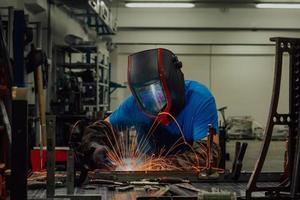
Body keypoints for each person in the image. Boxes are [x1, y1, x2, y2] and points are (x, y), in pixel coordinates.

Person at [80, 48, 220, 170]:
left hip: (191, 179)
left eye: (158, 94)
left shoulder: (200, 100)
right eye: (144, 95)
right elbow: (102, 128)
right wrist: (94, 147)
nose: (153, 102)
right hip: (146, 177)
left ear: (173, 85)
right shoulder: (136, 103)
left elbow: (207, 155)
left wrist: (160, 166)